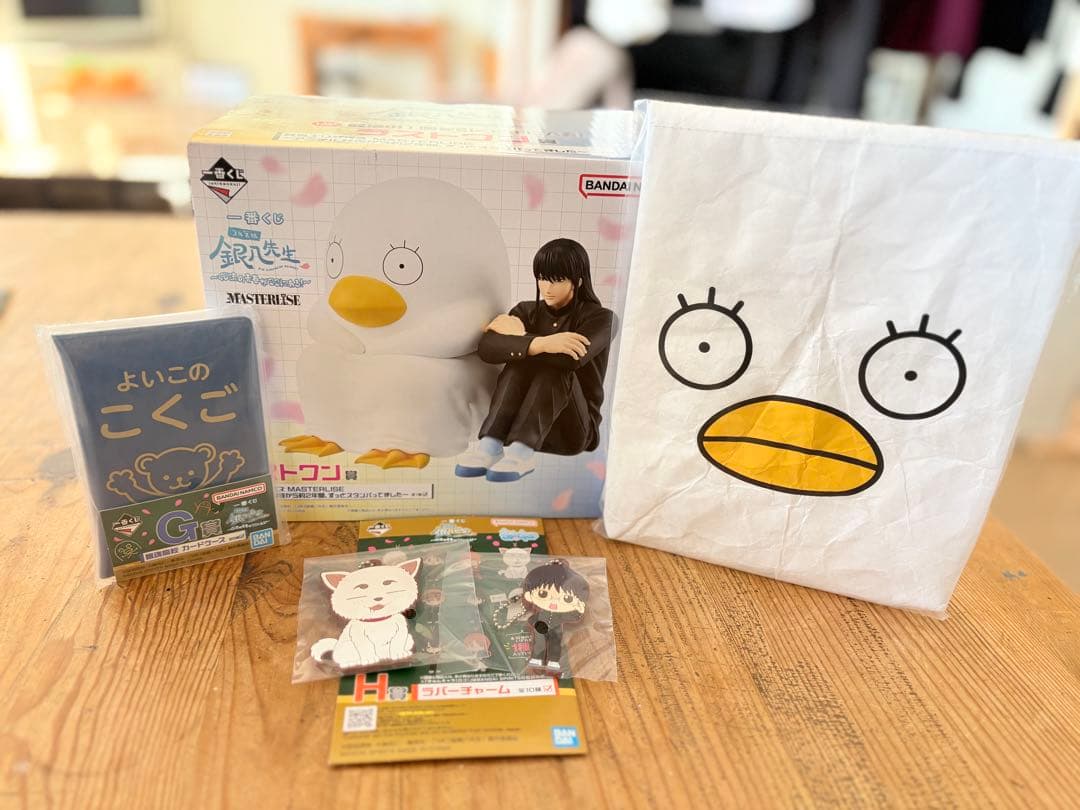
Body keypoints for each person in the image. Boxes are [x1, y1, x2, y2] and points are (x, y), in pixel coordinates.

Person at [454, 238, 616, 482]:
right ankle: (490, 445)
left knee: (553, 367)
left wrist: (521, 339)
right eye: (542, 278)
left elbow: (569, 361)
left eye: (557, 280)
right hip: (514, 428)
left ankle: (521, 455)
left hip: (570, 431)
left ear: (578, 280)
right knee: (519, 363)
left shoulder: (601, 318)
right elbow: (488, 348)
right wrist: (540, 343)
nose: (546, 288)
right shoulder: (525, 310)